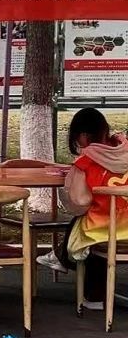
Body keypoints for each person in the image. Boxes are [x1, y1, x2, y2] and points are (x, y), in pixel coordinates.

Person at [55, 108, 128, 309]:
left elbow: (80, 201)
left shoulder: (86, 161)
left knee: (84, 230)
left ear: (83, 135)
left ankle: (93, 294)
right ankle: (59, 256)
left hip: (105, 230)